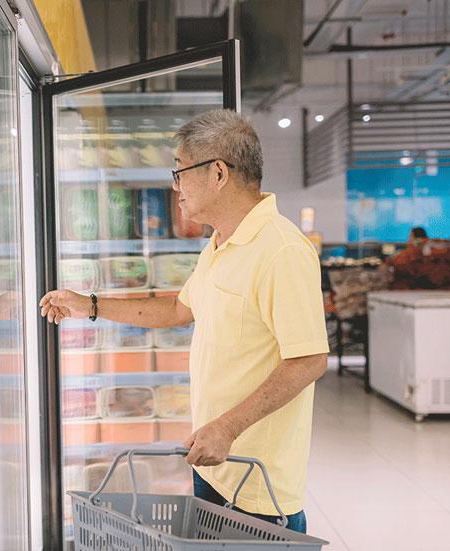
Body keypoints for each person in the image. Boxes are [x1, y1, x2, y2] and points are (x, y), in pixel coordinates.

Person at [40, 109, 328, 533]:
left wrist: (226, 428)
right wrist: (90, 305)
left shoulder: (282, 250)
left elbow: (309, 360)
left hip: (256, 481)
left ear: (217, 173)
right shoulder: (219, 243)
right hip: (214, 464)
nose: (175, 188)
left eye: (180, 172)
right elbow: (178, 310)